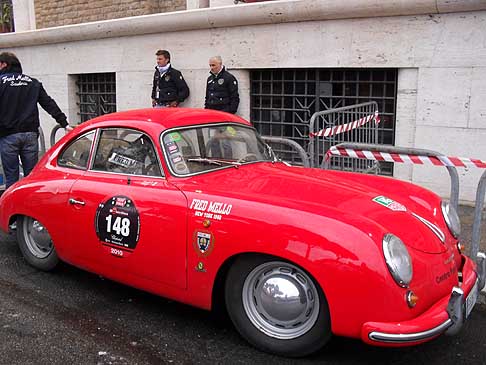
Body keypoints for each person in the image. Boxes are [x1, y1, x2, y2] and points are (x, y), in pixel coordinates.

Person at [0, 52, 72, 189]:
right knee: (31, 177)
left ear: (4, 64)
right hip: (30, 135)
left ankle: (12, 207)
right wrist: (64, 123)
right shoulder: (33, 83)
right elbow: (48, 103)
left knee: (11, 178)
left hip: (7, 136)